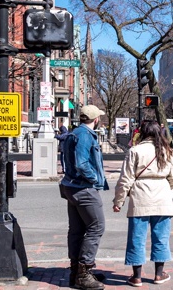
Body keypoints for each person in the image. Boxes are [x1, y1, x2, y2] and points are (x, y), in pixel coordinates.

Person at [113, 120, 173, 287]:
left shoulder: (135, 151)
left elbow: (125, 179)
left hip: (140, 197)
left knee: (137, 238)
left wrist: (118, 201)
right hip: (162, 198)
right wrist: (164, 187)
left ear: (142, 132)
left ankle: (136, 276)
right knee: (161, 238)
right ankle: (159, 274)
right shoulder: (167, 151)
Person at [60, 105, 109, 289]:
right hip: (83, 188)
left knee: (77, 230)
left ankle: (76, 271)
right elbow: (81, 163)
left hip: (70, 186)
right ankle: (83, 273)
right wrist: (95, 178)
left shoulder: (73, 133)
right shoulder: (85, 135)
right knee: (96, 227)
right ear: (95, 119)